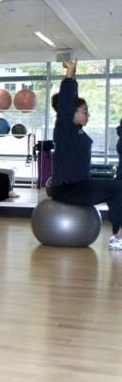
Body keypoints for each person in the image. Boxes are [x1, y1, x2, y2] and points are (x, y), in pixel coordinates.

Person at [49, 60, 122, 249]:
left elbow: (71, 102)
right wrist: (71, 72)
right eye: (84, 112)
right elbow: (67, 101)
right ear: (71, 113)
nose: (87, 115)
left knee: (118, 188)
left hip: (81, 184)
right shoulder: (65, 128)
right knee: (118, 189)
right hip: (67, 188)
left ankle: (119, 235)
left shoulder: (78, 131)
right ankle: (119, 238)